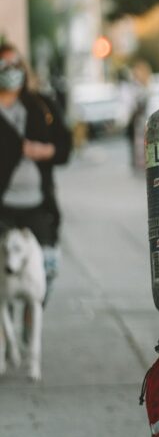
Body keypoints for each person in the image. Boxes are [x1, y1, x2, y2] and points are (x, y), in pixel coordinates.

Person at [0, 42, 72, 303]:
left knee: (44, 272)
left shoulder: (40, 105)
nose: (10, 71)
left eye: (15, 64)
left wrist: (45, 151)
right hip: (3, 207)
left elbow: (65, 147)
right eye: (4, 65)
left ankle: (30, 328)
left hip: (38, 204)